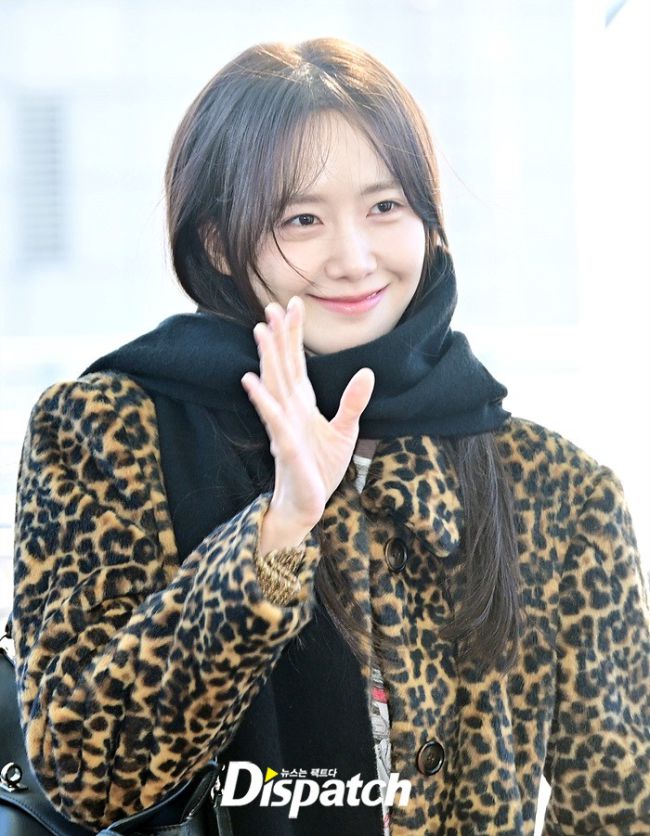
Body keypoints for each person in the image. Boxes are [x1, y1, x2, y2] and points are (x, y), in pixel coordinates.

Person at [11, 37, 650, 836]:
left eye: (386, 207)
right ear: (217, 242)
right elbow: (89, 774)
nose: (354, 258)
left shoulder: (558, 490)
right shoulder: (102, 434)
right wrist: (275, 536)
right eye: (302, 219)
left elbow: (618, 811)